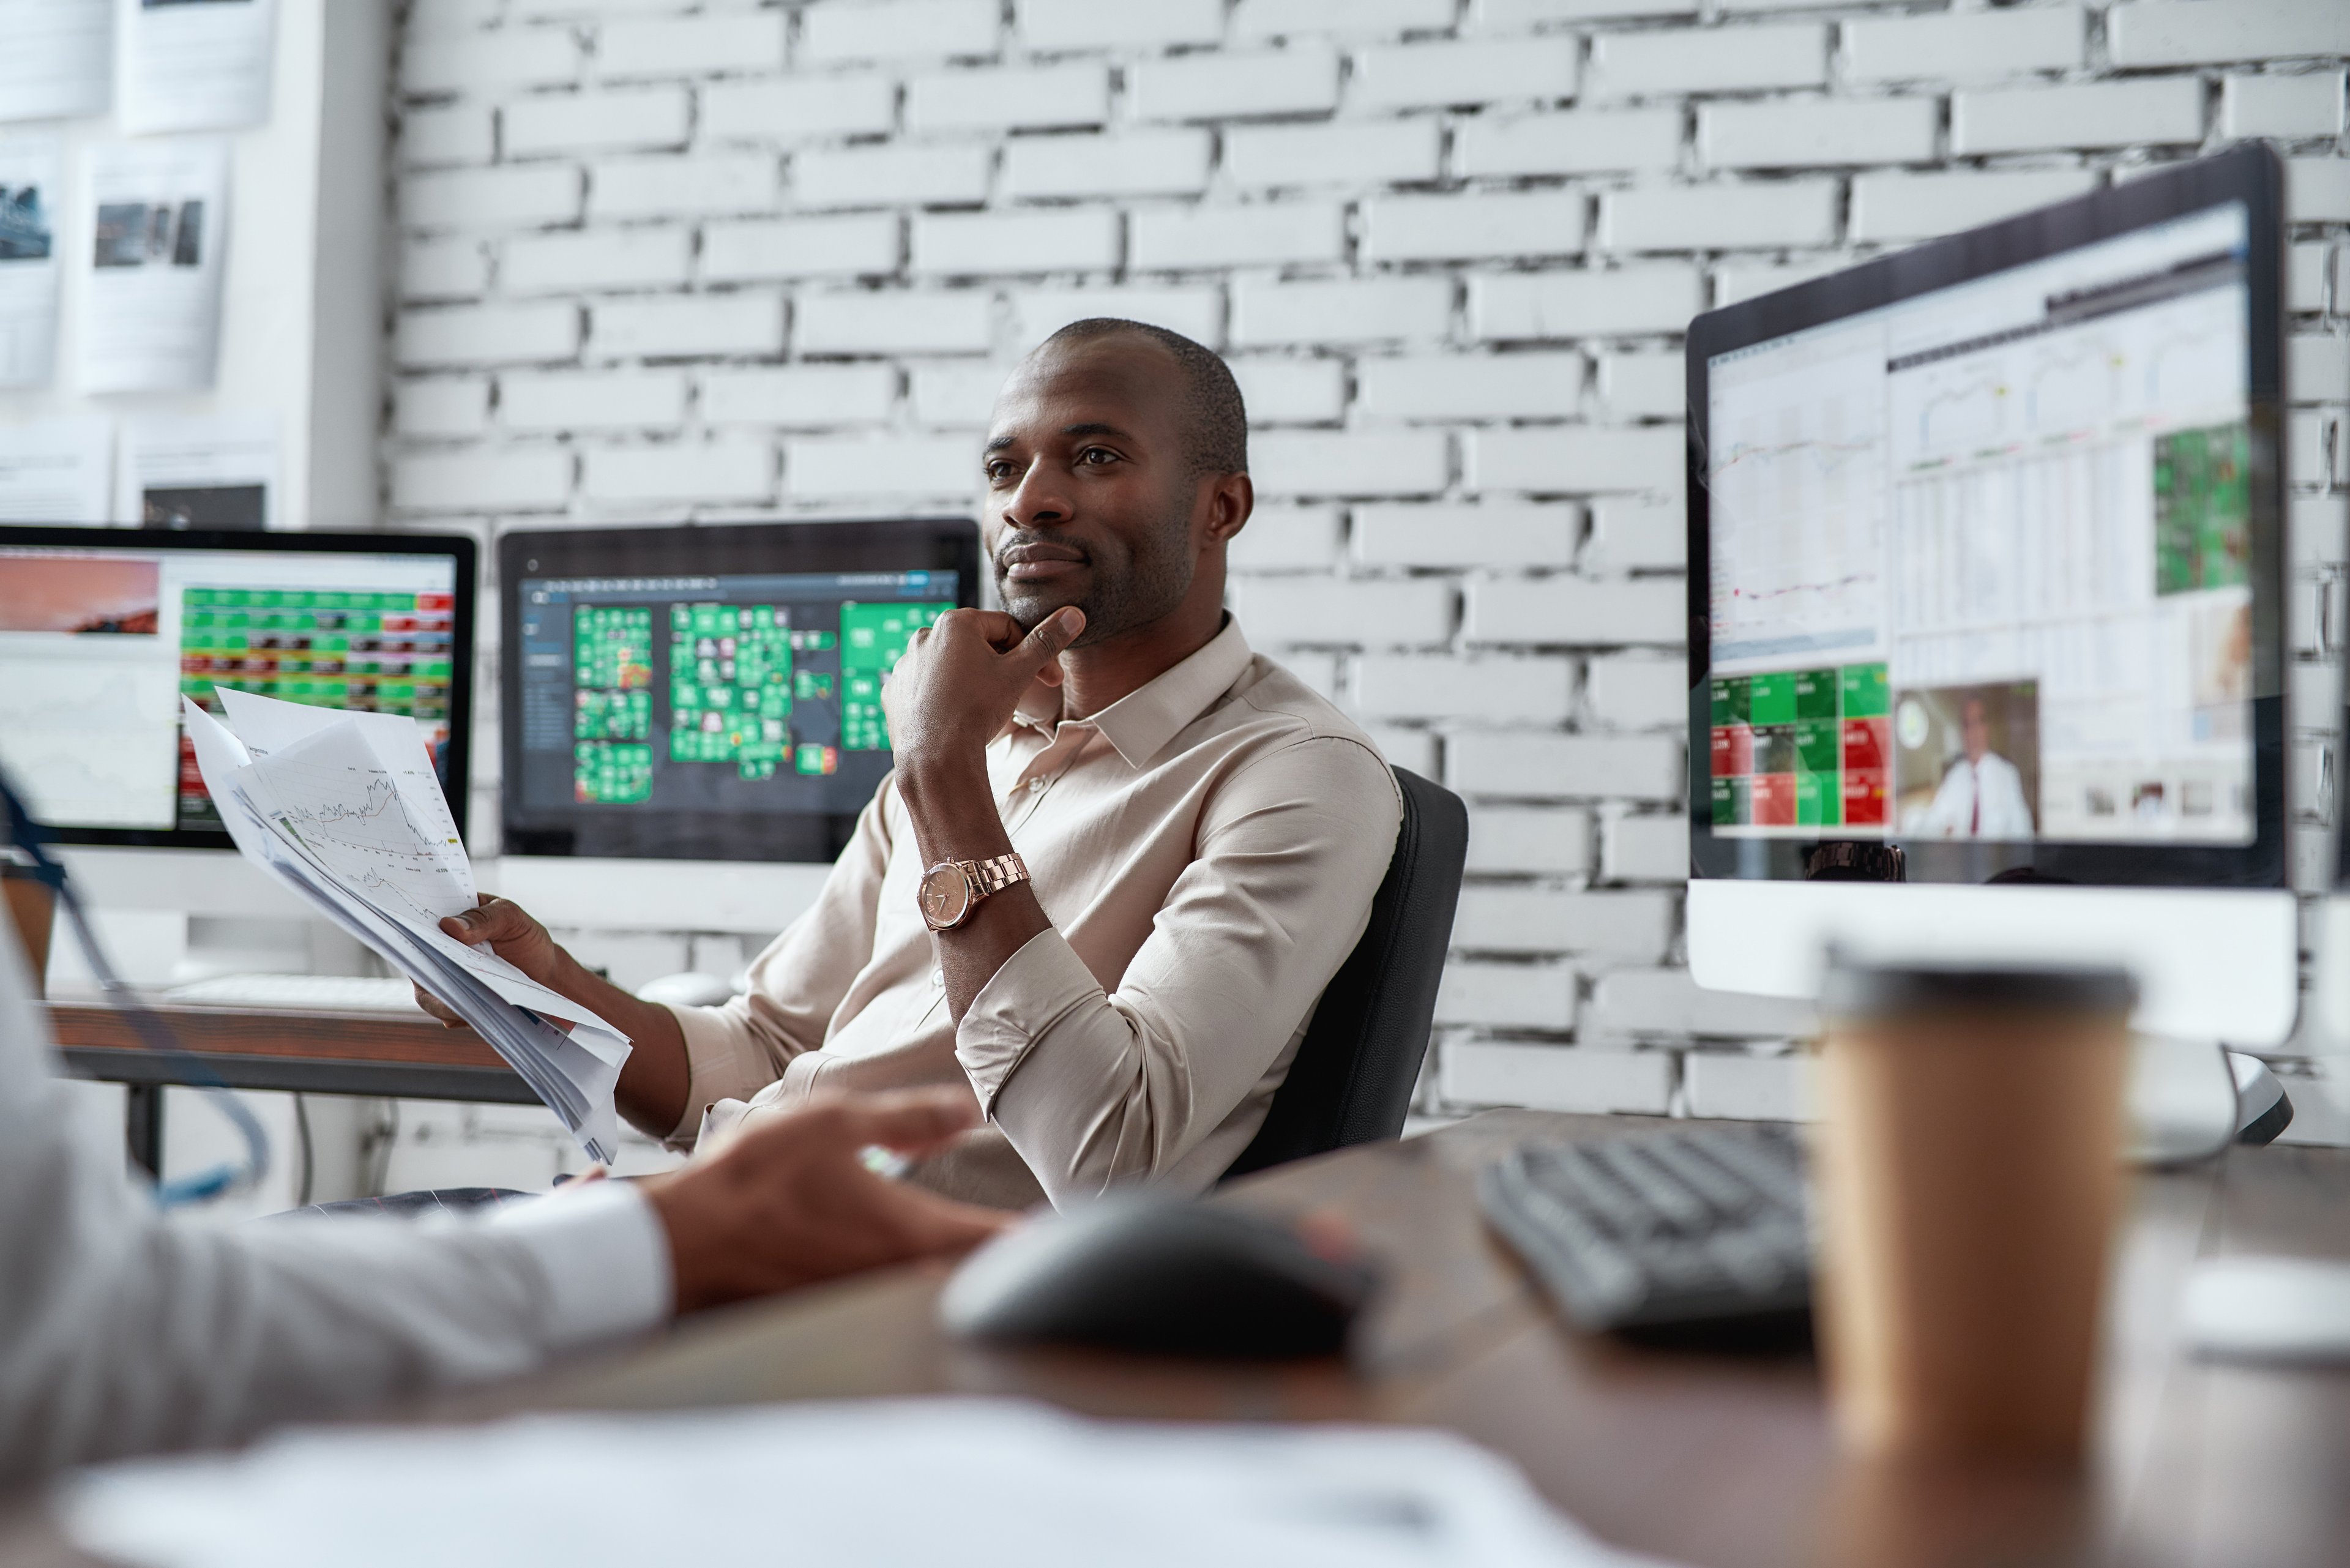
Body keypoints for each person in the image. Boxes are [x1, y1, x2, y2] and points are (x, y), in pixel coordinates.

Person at [419, 320, 1401, 1209]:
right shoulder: (975, 743)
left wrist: (940, 771)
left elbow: (1106, 1154)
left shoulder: (1296, 775)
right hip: (705, 1223)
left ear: (1220, 507)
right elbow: (765, 1051)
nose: (1033, 500)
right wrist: (550, 986)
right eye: (1002, 468)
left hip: (873, 1304)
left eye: (1095, 457)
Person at [0, 913, 1009, 1482]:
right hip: (713, 1227)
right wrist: (661, 1232)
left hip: (892, 1272)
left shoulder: (979, 763)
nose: (1024, 518)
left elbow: (1118, 1131)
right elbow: (76, 1339)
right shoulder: (936, 757)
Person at [1915, 696, 2034, 839]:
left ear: (1988, 728)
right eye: (1967, 725)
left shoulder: (2008, 774)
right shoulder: (1954, 775)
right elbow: (1933, 819)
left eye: (1978, 722)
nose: (1973, 732)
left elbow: (2023, 833)